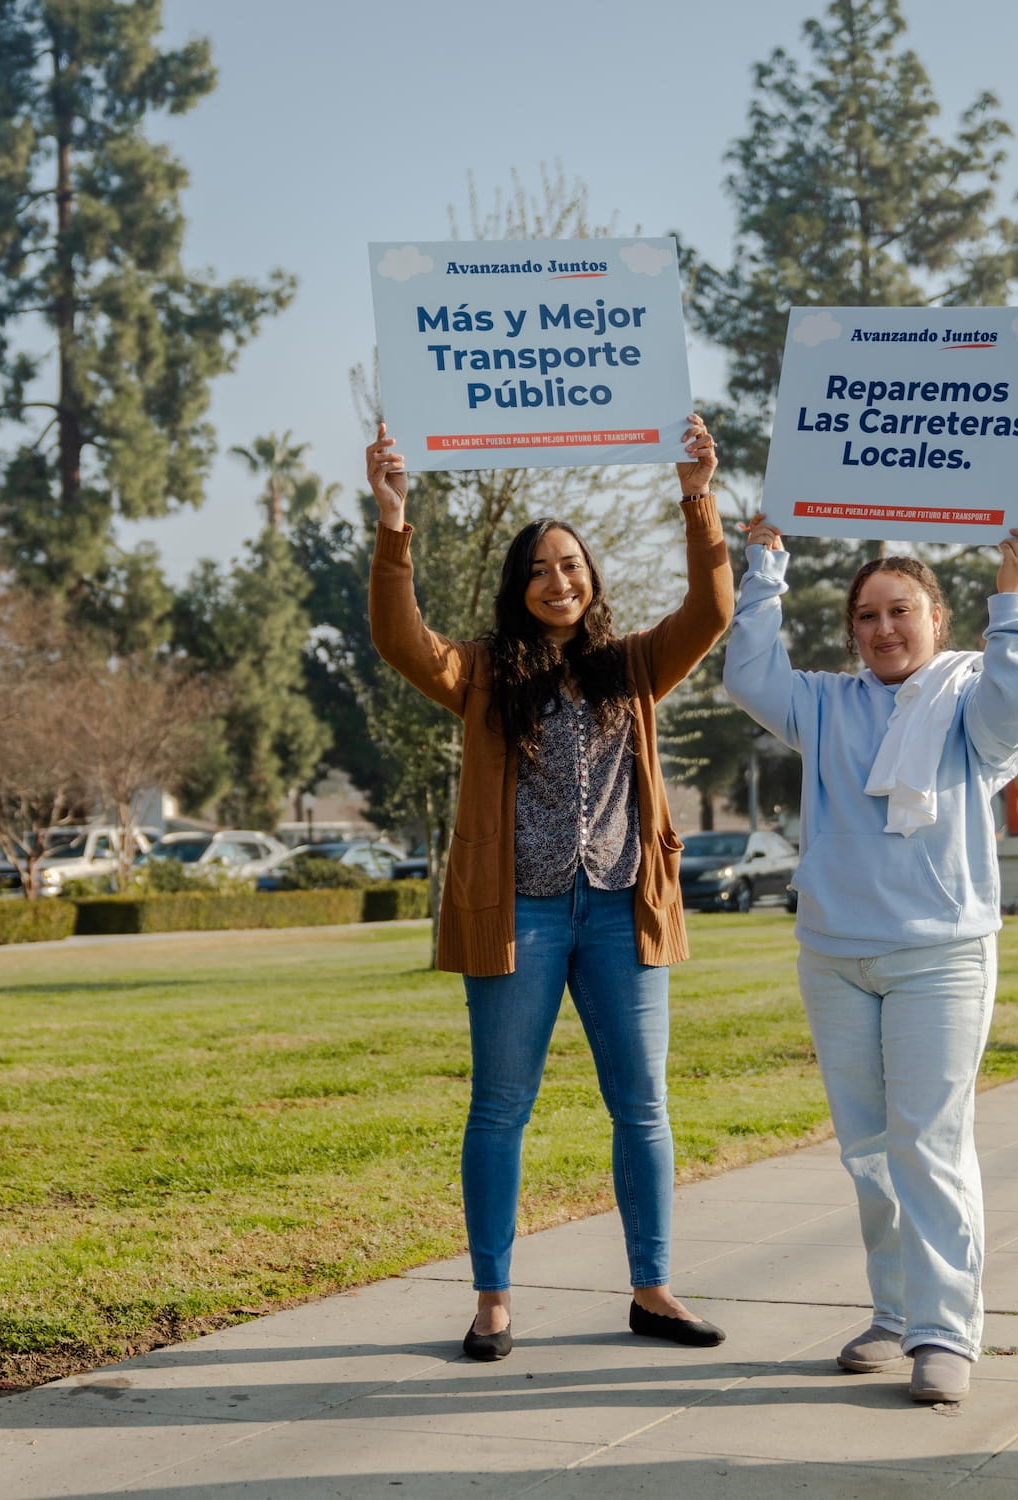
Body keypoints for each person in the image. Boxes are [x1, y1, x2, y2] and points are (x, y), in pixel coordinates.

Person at [365, 416, 733, 1362]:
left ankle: (652, 1290)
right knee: (499, 1107)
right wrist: (395, 522)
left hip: (619, 909)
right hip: (518, 918)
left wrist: (698, 496)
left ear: (592, 579)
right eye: (539, 568)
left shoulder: (635, 667)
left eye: (571, 565)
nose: (558, 580)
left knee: (642, 1104)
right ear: (517, 587)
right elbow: (400, 639)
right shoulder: (485, 674)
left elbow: (712, 612)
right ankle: (493, 1300)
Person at [723, 513, 1018, 1406]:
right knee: (868, 1149)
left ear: (938, 620)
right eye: (866, 616)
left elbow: (1016, 705)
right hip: (835, 958)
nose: (884, 629)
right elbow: (747, 674)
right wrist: (765, 567)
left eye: (900, 611)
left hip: (939, 959)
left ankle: (947, 1333)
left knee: (930, 1142)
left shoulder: (971, 700)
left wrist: (1013, 600)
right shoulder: (825, 703)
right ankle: (896, 1312)